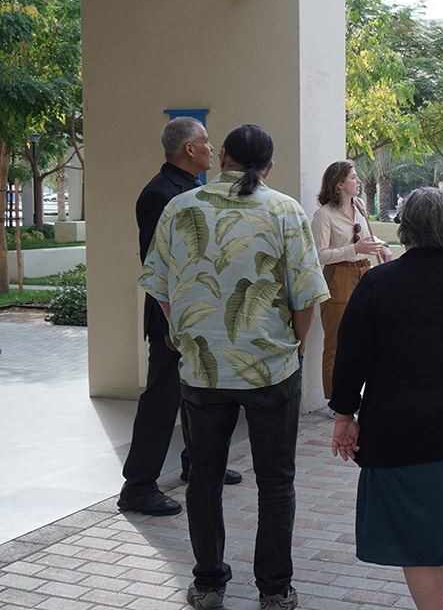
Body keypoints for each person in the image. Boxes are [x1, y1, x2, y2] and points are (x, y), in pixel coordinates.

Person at [139, 124, 330, 610]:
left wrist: (186, 336)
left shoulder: (180, 209)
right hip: (270, 367)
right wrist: (298, 346)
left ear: (221, 156)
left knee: (203, 478)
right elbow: (306, 296)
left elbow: (159, 287)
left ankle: (207, 584)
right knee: (276, 480)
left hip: (201, 369)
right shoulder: (284, 210)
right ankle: (274, 590)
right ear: (269, 165)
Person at [329, 187, 443, 610]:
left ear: (404, 227)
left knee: (421, 536)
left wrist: (344, 415)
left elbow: (350, 356)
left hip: (398, 429)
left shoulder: (378, 283)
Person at [119, 117, 241, 518]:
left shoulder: (191, 189)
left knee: (197, 396)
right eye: (206, 142)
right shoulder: (160, 194)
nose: (212, 149)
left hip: (194, 314)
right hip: (172, 315)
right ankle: (138, 485)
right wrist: (172, 321)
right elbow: (158, 266)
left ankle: (197, 464)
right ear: (189, 149)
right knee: (163, 397)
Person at [311, 161, 392, 400]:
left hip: (365, 272)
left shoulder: (358, 206)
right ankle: (336, 399)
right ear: (339, 185)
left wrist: (382, 246)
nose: (358, 181)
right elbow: (319, 255)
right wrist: (352, 249)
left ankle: (365, 393)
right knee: (336, 342)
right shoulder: (324, 215)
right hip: (339, 277)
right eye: (354, 178)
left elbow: (366, 235)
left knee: (368, 336)